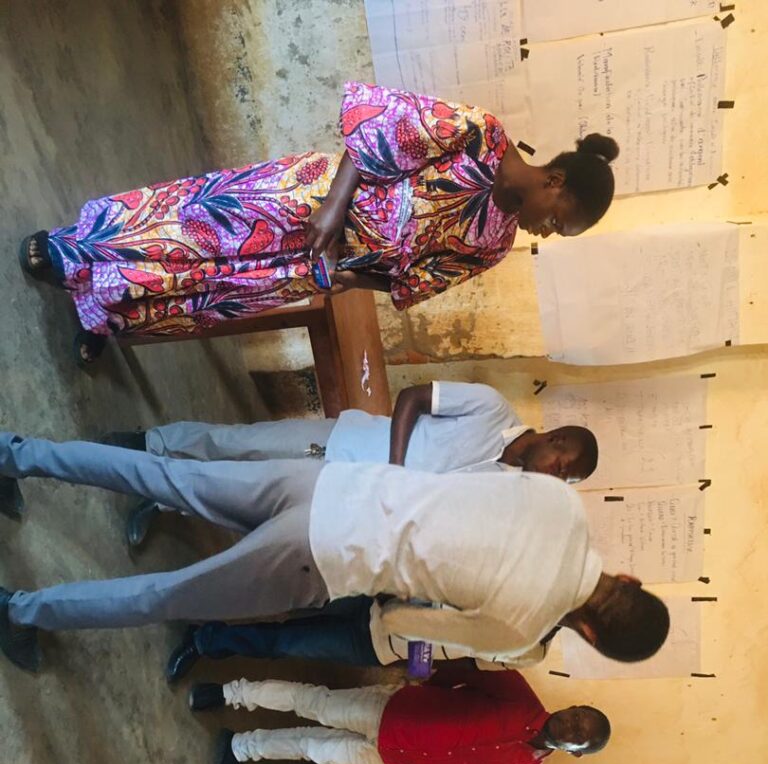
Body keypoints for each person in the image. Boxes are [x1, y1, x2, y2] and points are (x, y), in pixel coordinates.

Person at [18, 80, 619, 364]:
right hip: (308, 201)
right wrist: (333, 207)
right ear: (555, 182)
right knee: (190, 228)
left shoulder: (495, 244)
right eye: (558, 222)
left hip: (320, 264)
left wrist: (350, 276)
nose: (546, 233)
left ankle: (103, 314)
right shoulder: (478, 134)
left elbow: (415, 281)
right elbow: (377, 132)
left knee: (212, 292)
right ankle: (72, 251)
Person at [0, 431, 669, 673]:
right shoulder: (521, 629)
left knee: (167, 476)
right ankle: (21, 612)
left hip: (330, 481)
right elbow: (401, 621)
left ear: (630, 579)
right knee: (166, 596)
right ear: (589, 635)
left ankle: (16, 453)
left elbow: (472, 488)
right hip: (324, 554)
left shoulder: (564, 503)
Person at [100, 380, 599, 546]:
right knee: (244, 445)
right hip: (346, 444)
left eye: (563, 480)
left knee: (244, 495)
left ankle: (161, 500)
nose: (554, 476)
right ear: (555, 438)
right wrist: (396, 468)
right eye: (562, 465)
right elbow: (413, 397)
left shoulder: (503, 489)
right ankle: (151, 443)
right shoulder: (492, 407)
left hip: (348, 495)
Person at [184, 668, 611, 764]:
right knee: (313, 702)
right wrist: (422, 690)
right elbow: (463, 673)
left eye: (578, 731)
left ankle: (241, 747)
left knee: (313, 749)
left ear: (576, 751)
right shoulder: (520, 695)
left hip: (391, 758)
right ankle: (230, 692)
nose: (570, 722)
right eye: (577, 713)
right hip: (394, 712)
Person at [164, 596, 553, 684]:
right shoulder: (522, 588)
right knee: (290, 596)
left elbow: (468, 662)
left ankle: (205, 640)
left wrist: (416, 668)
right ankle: (194, 599)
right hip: (380, 597)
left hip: (380, 647)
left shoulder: (532, 654)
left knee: (286, 643)